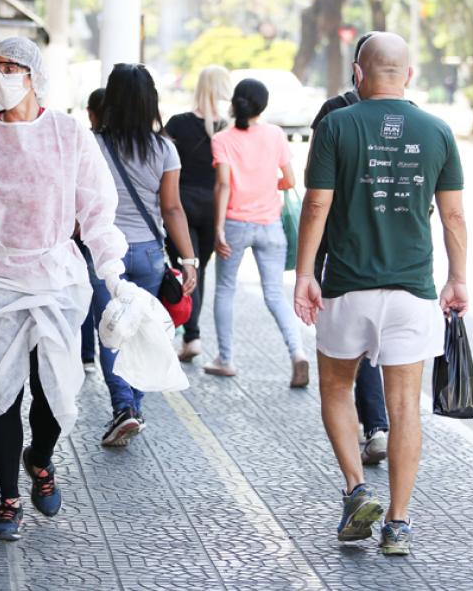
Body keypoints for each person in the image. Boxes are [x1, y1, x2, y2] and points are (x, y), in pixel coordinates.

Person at [0, 38, 133, 541]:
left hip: (58, 278)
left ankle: (39, 458)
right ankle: (7, 500)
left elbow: (95, 206)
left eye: (11, 67)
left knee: (55, 389)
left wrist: (112, 268)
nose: (0, 76)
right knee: (4, 393)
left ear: (34, 75)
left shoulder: (69, 135)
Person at [295, 32, 467, 556]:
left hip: (348, 287)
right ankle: (398, 523)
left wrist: (304, 272)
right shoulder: (438, 131)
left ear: (357, 72)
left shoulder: (336, 126)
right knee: (403, 408)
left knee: (335, 388)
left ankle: (356, 488)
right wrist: (458, 278)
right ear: (409, 75)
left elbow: (317, 205)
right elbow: (454, 215)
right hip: (412, 291)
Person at [89, 63, 198, 447]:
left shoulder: (93, 144)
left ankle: (124, 408)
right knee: (144, 329)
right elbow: (172, 209)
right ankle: (133, 406)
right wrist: (188, 259)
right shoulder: (164, 148)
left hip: (105, 254)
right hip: (150, 253)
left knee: (113, 331)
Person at [311, 31, 390, 466]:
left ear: (357, 69)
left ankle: (359, 472)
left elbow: (316, 195)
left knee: (344, 358)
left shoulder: (333, 114)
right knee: (375, 345)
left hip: (340, 252)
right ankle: (378, 426)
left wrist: (308, 269)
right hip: (392, 255)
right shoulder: (411, 119)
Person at [205, 79, 309, 387]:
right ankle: (297, 353)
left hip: (235, 223)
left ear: (235, 103)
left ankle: (225, 359)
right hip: (269, 224)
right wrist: (266, 186)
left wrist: (219, 228)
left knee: (224, 289)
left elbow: (223, 185)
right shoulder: (276, 134)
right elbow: (289, 179)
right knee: (275, 294)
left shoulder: (222, 139)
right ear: (262, 105)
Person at [164, 65, 232, 362]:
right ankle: (191, 335)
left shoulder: (178, 123)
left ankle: (189, 335)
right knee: (199, 271)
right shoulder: (229, 129)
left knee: (184, 267)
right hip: (215, 207)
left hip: (181, 205)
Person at [79, 88, 107, 373]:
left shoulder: (86, 142)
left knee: (87, 293)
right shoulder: (155, 145)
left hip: (86, 231)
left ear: (91, 113)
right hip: (132, 237)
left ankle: (86, 355)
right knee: (109, 302)